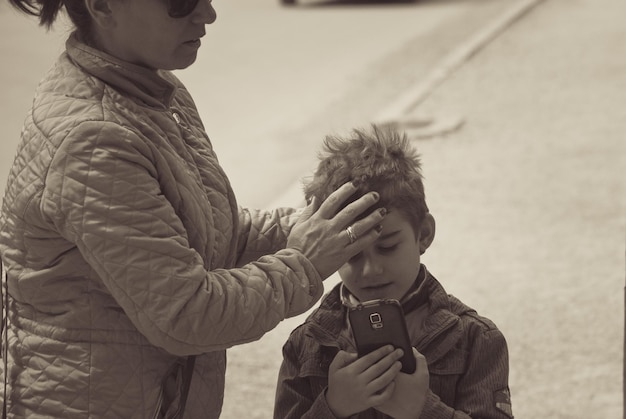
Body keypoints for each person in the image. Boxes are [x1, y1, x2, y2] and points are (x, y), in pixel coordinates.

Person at [0, 1, 388, 418]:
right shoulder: (95, 139)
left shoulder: (154, 89)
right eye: (180, 4)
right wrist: (303, 262)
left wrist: (314, 225)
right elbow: (187, 314)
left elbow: (205, 234)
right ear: (102, 6)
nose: (207, 14)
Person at [274, 125, 513, 419]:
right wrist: (333, 407)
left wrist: (422, 410)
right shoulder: (307, 345)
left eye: (387, 247)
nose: (372, 269)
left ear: (423, 234)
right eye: (351, 254)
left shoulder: (476, 339)